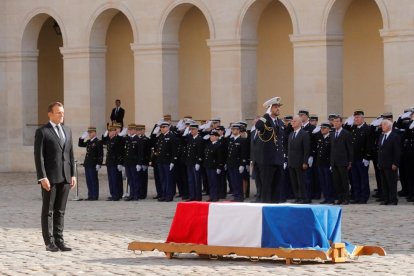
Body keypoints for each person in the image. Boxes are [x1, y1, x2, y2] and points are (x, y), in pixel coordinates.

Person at [34, 102, 76, 252]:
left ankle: (59, 240)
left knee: (61, 211)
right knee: (48, 210)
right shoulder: (42, 132)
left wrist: (73, 174)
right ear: (50, 114)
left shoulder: (67, 130)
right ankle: (49, 242)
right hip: (50, 178)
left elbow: (70, 154)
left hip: (65, 176)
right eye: (58, 113)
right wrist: (42, 177)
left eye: (63, 112)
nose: (61, 115)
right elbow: (39, 157)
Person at [255, 97, 285, 203]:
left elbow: (281, 140)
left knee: (277, 186)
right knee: (266, 186)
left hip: (278, 159)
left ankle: (275, 206)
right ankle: (266, 206)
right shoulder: (265, 121)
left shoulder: (280, 122)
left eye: (278, 107)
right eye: (275, 107)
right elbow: (258, 126)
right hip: (267, 160)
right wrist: (265, 115)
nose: (278, 109)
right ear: (270, 108)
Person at [346, 110, 372, 204]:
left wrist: (367, 157)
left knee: (363, 178)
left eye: (357, 117)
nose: (356, 119)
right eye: (355, 117)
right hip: (354, 158)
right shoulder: (353, 129)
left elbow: (369, 144)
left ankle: (364, 197)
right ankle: (356, 196)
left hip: (362, 158)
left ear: (362, 118)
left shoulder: (367, 129)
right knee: (355, 179)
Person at [330, 115, 353, 205]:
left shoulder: (346, 133)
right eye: (334, 121)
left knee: (344, 181)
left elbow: (349, 149)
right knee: (336, 181)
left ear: (341, 123)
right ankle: (339, 198)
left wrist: (350, 161)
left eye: (337, 121)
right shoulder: (332, 134)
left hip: (343, 161)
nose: (335, 123)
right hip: (334, 161)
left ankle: (346, 198)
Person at [377, 119, 401, 205]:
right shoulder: (381, 136)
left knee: (391, 183)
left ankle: (393, 199)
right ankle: (386, 199)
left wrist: (395, 163)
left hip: (391, 164)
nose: (382, 126)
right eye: (382, 124)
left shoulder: (395, 136)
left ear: (389, 126)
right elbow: (380, 150)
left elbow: (397, 151)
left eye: (384, 124)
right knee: (384, 183)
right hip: (382, 163)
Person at [287, 116, 310, 203]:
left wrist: (305, 162)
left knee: (301, 181)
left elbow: (306, 149)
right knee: (294, 181)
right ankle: (297, 197)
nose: (292, 122)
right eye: (292, 121)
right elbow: (289, 149)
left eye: (295, 121)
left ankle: (303, 198)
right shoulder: (291, 134)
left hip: (300, 162)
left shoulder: (304, 134)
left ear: (300, 123)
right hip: (292, 162)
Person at [154, 121, 179, 202]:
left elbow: (174, 150)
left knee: (169, 179)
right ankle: (164, 194)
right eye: (161, 127)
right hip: (160, 161)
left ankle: (169, 195)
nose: (162, 129)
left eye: (163, 127)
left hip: (168, 161)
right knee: (163, 179)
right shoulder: (161, 136)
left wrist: (173, 161)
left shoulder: (172, 136)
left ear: (168, 127)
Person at [78, 126, 104, 200]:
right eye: (89, 133)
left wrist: (99, 163)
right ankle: (90, 195)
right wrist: (82, 138)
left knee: (93, 180)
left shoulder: (98, 142)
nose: (89, 134)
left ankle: (95, 196)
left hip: (94, 164)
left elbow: (100, 154)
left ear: (95, 133)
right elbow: (80, 145)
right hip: (88, 163)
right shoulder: (89, 141)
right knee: (88, 180)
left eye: (91, 132)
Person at [226, 123, 248, 202]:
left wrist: (242, 164)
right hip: (231, 163)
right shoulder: (231, 140)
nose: (233, 131)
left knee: (238, 181)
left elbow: (243, 153)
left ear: (238, 130)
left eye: (235, 129)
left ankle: (240, 197)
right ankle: (235, 196)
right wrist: (227, 163)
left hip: (238, 164)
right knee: (233, 181)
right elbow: (229, 153)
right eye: (232, 129)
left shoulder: (242, 140)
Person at [315, 122, 335, 204]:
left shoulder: (331, 138)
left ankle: (330, 198)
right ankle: (326, 197)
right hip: (320, 163)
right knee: (323, 182)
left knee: (328, 182)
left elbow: (332, 152)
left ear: (329, 129)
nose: (322, 130)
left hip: (327, 164)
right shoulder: (320, 138)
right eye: (321, 128)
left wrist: (331, 164)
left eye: (324, 128)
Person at [184, 123, 204, 201]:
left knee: (197, 180)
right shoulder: (190, 139)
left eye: (193, 129)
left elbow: (200, 152)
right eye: (190, 129)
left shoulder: (200, 139)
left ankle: (198, 197)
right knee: (190, 180)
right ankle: (192, 196)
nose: (191, 131)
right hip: (189, 162)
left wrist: (198, 162)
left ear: (197, 130)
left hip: (196, 163)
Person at [103, 125, 124, 201]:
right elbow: (103, 141)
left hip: (115, 162)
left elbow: (119, 152)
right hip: (110, 162)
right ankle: (113, 194)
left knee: (115, 179)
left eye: (111, 131)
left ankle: (116, 195)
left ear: (115, 132)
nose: (109, 132)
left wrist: (119, 162)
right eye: (109, 131)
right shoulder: (110, 140)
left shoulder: (117, 139)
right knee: (111, 179)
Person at [203, 130, 224, 202]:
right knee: (210, 182)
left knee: (215, 182)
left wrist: (219, 167)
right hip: (208, 166)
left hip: (214, 166)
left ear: (217, 137)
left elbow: (220, 157)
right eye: (211, 136)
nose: (211, 137)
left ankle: (216, 196)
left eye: (213, 136)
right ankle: (211, 196)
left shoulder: (219, 145)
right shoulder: (209, 144)